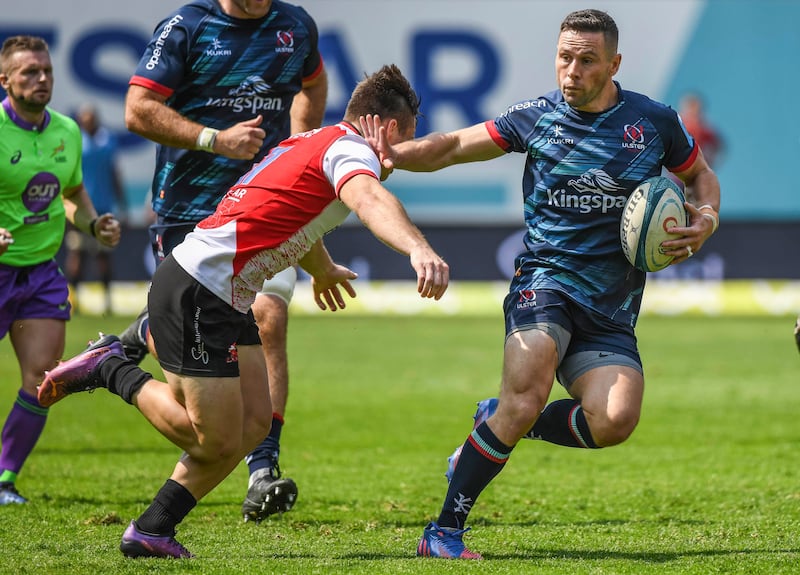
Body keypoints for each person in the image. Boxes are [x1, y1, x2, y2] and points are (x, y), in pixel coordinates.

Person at [37, 64, 449, 559]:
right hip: (197, 289)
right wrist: (417, 249)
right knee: (211, 440)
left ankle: (151, 531)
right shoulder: (351, 150)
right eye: (401, 141)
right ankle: (110, 367)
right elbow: (368, 198)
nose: (396, 155)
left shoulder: (313, 141)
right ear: (384, 127)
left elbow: (297, 217)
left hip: (225, 294)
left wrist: (320, 270)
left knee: (253, 424)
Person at [362, 9, 721, 559]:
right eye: (564, 58)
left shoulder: (653, 121)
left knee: (615, 420)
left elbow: (700, 176)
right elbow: (456, 145)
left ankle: (500, 421)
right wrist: (394, 155)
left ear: (614, 64)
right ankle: (442, 533)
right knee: (527, 390)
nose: (571, 71)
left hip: (611, 305)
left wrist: (707, 217)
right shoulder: (537, 117)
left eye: (586, 60)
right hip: (545, 282)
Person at [119, 0, 328, 522]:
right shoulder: (188, 27)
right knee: (192, 373)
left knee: (269, 317)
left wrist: (297, 146)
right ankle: (117, 354)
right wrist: (215, 140)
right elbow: (138, 109)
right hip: (189, 209)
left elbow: (314, 84)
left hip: (263, 211)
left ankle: (262, 468)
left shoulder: (295, 25)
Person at [0, 36, 121, 505]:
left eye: (46, 70)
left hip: (40, 274)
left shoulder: (68, 130)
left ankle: (5, 478)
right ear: (5, 80)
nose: (42, 78)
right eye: (29, 72)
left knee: (44, 376)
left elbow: (71, 192)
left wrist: (93, 223)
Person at [64, 104, 126, 315]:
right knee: (76, 254)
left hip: (103, 208)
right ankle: (75, 301)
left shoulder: (107, 141)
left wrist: (122, 203)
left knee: (103, 256)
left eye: (90, 117)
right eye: (84, 118)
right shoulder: (75, 141)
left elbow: (114, 173)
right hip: (79, 209)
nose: (87, 121)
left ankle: (107, 302)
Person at [678, 92, 724, 169]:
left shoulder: (704, 129)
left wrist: (708, 162)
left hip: (694, 170)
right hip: (674, 171)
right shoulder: (676, 123)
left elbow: (717, 146)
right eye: (691, 107)